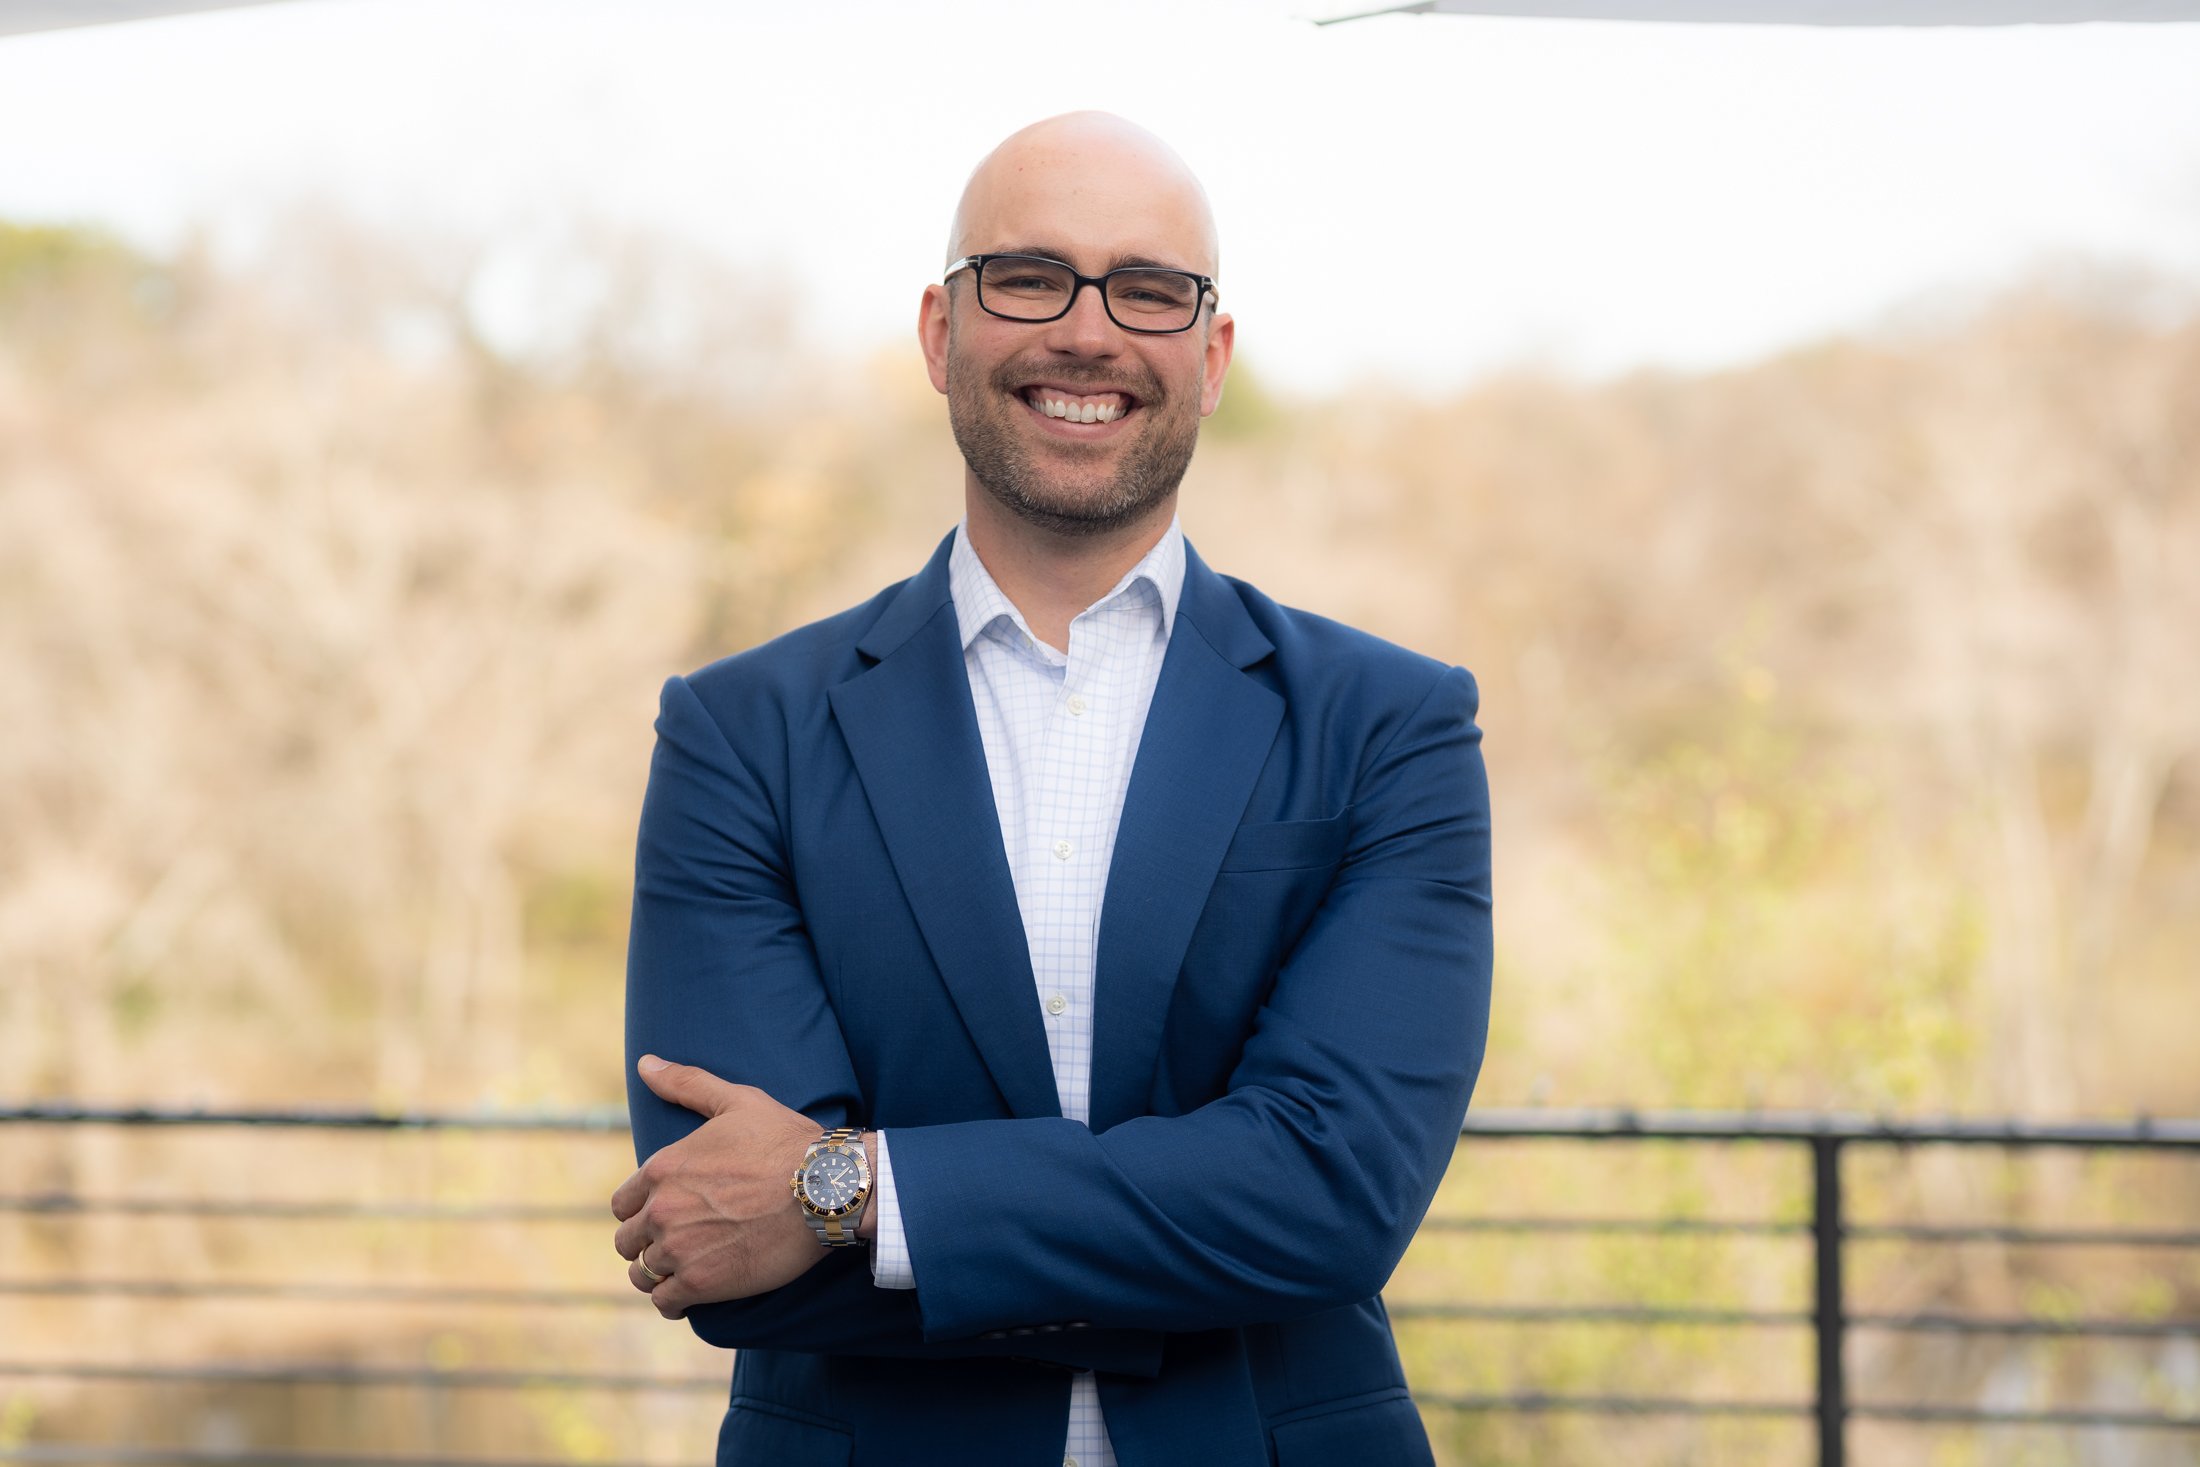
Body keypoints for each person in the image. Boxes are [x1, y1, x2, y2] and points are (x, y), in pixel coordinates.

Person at [611, 111, 1492, 1467]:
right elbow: (731, 1246)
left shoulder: (1389, 727)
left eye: (1149, 289)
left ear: (1210, 357)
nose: (1088, 331)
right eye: (1028, 277)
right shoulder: (741, 734)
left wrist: (850, 1190)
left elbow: (1332, 1197)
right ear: (938, 331)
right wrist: (1187, 1239)